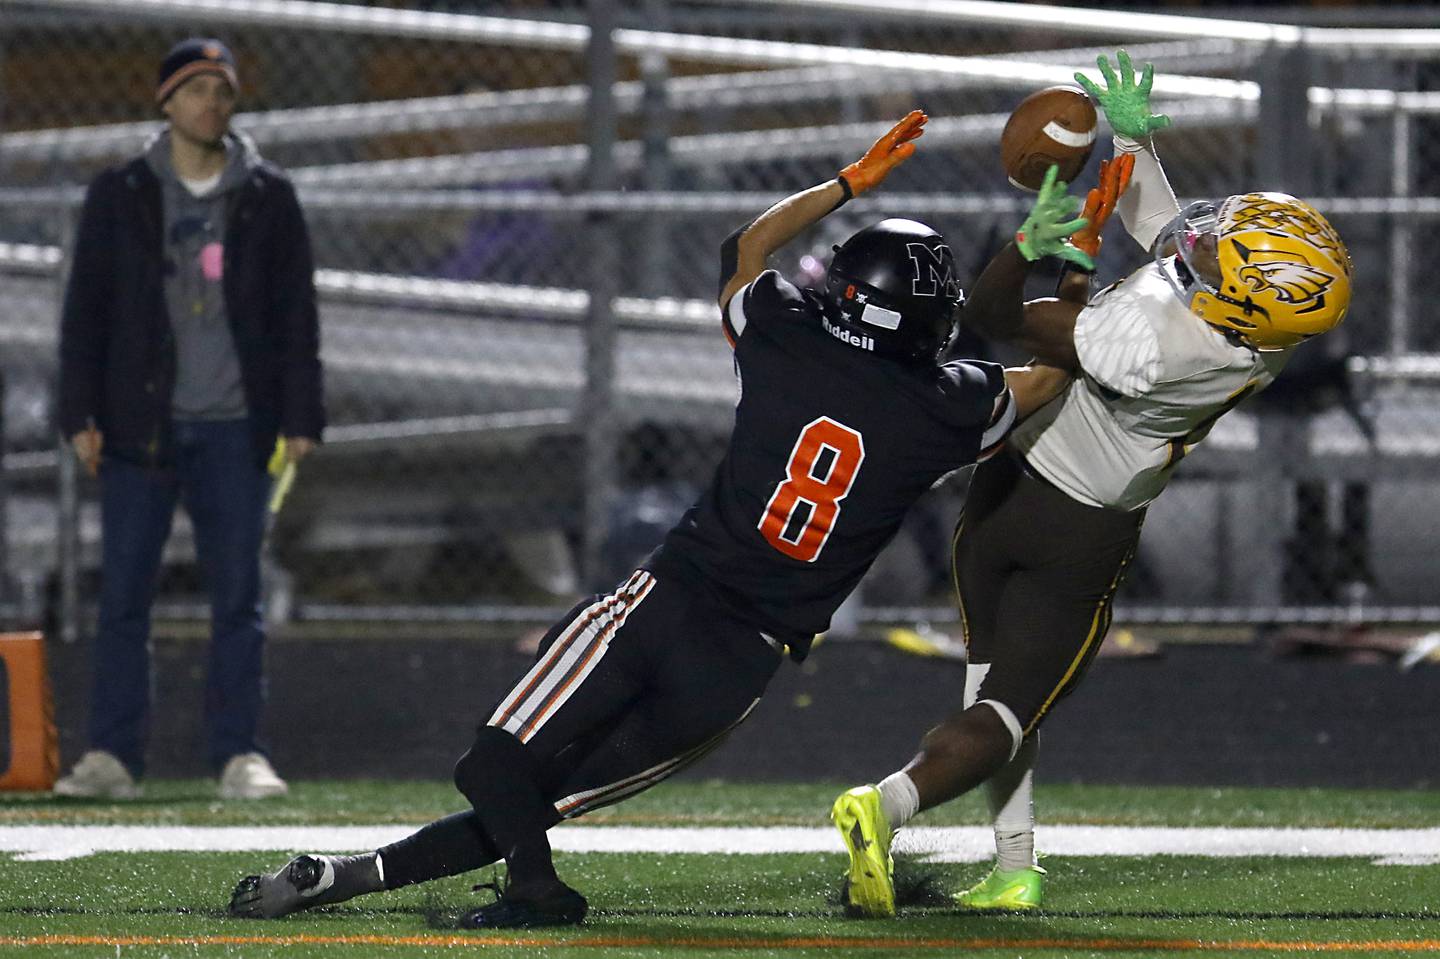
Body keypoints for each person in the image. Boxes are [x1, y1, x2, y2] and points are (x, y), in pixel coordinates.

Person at [227, 110, 1075, 929]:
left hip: (671, 599)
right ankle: (360, 876)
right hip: (742, 666)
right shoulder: (948, 406)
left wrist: (849, 181)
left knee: (494, 768)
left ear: (852, 299)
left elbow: (746, 248)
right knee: (531, 799)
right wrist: (1061, 262)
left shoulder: (787, 338)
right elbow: (1054, 366)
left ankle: (535, 889)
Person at [832, 51, 1353, 918]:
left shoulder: (1152, 341)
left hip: (999, 493)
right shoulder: (1243, 331)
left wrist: (1044, 246)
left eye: (1224, 254)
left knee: (990, 687)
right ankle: (884, 804)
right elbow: (1168, 231)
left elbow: (999, 321)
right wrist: (1134, 143)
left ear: (1243, 300)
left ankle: (1012, 867)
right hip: (1081, 528)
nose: (1203, 240)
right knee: (1013, 709)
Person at [54, 38, 323, 801]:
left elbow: (296, 313)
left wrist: (301, 412)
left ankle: (239, 752)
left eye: (223, 90)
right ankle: (111, 754)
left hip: (239, 427)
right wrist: (78, 409)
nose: (212, 102)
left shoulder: (269, 196)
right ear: (166, 101)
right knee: (124, 598)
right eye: (198, 88)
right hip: (142, 428)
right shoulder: (121, 194)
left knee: (238, 595)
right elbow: (87, 311)